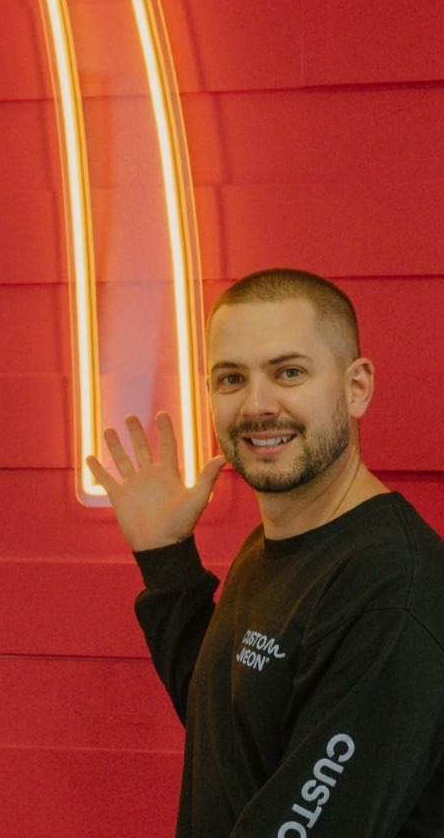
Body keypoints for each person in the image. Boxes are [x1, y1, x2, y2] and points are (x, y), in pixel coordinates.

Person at [87, 268, 444, 837]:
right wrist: (166, 560)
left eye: (289, 372)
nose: (257, 404)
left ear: (357, 388)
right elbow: (232, 735)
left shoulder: (390, 596)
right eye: (231, 378)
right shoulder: (277, 543)